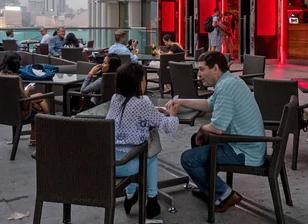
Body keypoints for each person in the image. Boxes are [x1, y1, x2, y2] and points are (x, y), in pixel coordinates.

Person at [166, 51, 265, 213]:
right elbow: (208, 104)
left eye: (202, 69)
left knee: (188, 159)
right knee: (197, 141)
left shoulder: (226, 87)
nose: (199, 74)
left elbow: (217, 128)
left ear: (216, 68)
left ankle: (225, 195)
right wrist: (180, 101)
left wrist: (201, 129)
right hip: (245, 143)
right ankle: (209, 189)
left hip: (245, 150)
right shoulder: (229, 81)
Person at [106, 63, 180, 219]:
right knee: (151, 154)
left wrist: (151, 112)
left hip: (108, 161)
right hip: (126, 165)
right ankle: (152, 199)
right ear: (139, 83)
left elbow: (131, 116)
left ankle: (130, 193)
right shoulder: (143, 102)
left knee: (135, 149)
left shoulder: (115, 98)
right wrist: (172, 114)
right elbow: (167, 126)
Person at [0, 51, 50, 146]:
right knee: (41, 105)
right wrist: (28, 89)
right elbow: (24, 101)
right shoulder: (16, 78)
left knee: (40, 96)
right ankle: (47, 122)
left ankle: (42, 127)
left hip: (3, 110)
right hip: (18, 111)